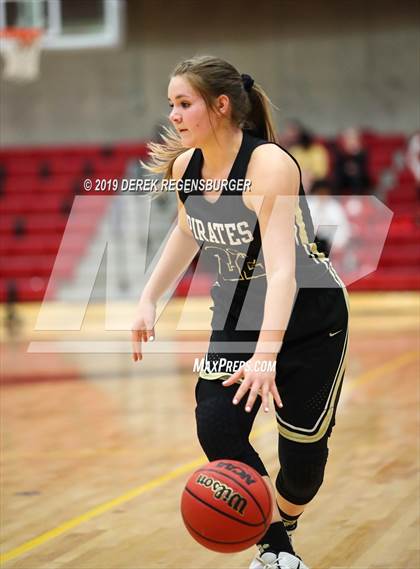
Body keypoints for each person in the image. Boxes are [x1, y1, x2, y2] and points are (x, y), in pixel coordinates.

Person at [131, 56, 349, 569]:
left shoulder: (269, 165)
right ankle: (277, 549)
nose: (175, 116)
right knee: (217, 427)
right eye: (172, 106)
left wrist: (266, 355)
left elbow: (285, 273)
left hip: (309, 317)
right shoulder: (187, 168)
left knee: (301, 469)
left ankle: (281, 523)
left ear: (221, 105)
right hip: (236, 313)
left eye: (185, 104)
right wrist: (149, 297)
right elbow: (187, 231)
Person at [333, 127, 371, 195]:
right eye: (349, 138)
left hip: (359, 176)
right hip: (343, 175)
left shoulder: (362, 151)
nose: (351, 141)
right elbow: (338, 166)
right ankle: (336, 199)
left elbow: (364, 166)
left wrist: (355, 152)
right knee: (336, 179)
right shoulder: (340, 151)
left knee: (357, 177)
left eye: (353, 138)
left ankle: (356, 198)